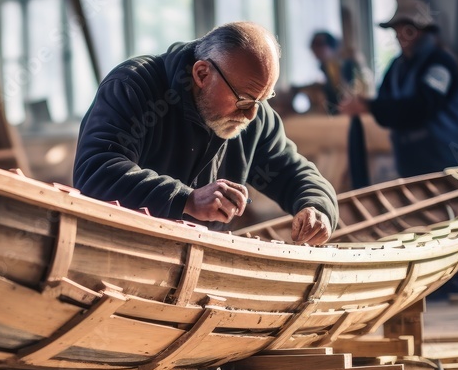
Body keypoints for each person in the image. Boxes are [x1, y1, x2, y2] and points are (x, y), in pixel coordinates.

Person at [73, 21, 338, 245]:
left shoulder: (253, 116)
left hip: (199, 259)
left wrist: (316, 208)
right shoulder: (134, 86)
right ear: (201, 74)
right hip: (123, 247)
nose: (250, 116)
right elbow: (95, 172)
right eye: (244, 100)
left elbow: (294, 173)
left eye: (263, 100)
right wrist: (186, 199)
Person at [337, 0, 458, 177]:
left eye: (405, 28)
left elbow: (423, 106)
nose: (398, 34)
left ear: (420, 30)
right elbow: (384, 102)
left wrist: (369, 106)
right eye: (396, 29)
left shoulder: (440, 63)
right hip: (412, 165)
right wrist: (369, 104)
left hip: (446, 166)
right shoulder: (397, 66)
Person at [309, 30, 373, 189]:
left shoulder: (345, 63)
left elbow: (359, 90)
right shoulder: (326, 67)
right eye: (314, 47)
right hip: (340, 114)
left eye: (319, 46)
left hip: (352, 115)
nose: (316, 52)